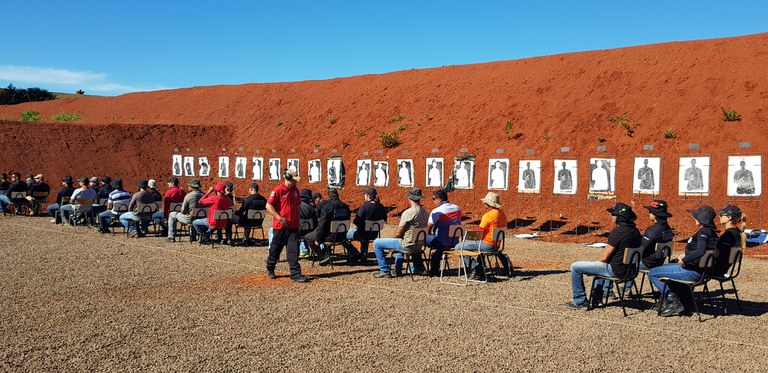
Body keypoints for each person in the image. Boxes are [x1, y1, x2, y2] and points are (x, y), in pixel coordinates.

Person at [565, 203, 642, 309]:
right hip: (631, 271)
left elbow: (603, 258)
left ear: (619, 217)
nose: (612, 216)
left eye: (613, 214)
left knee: (575, 267)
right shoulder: (635, 232)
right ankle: (596, 300)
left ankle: (580, 301)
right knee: (600, 267)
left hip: (615, 271)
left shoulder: (618, 232)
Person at [648, 206, 718, 317]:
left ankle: (672, 300)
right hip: (702, 272)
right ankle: (679, 300)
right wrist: (688, 255)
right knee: (669, 265)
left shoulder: (703, 233)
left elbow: (700, 250)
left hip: (692, 272)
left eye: (696, 217)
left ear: (701, 219)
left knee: (652, 273)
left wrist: (685, 260)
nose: (695, 218)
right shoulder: (712, 234)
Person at [372, 188, 429, 278]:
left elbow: (398, 233)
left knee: (377, 243)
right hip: (419, 245)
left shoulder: (409, 212)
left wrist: (390, 241)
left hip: (407, 245)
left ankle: (384, 270)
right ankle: (399, 269)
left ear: (409, 198)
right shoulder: (425, 211)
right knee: (400, 240)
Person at [265, 169, 308, 282]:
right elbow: (269, 206)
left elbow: (297, 207)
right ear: (288, 179)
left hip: (293, 226)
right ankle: (270, 268)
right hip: (280, 227)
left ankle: (295, 274)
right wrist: (279, 218)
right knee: (275, 250)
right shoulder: (278, 190)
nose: (296, 182)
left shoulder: (296, 191)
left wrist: (297, 220)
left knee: (293, 251)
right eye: (294, 180)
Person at [454, 192, 510, 278]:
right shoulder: (502, 215)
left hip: (487, 244)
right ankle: (479, 268)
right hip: (497, 245)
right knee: (469, 246)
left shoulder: (488, 216)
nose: (483, 203)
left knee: (458, 246)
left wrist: (467, 237)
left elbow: (478, 233)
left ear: (488, 203)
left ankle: (475, 267)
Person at [306, 188, 356, 264]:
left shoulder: (327, 207)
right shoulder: (345, 206)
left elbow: (321, 225)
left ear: (329, 196)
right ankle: (354, 252)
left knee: (308, 237)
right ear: (337, 195)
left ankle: (323, 255)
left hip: (330, 236)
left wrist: (318, 239)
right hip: (342, 236)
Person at [426, 189, 463, 275]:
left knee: (419, 239)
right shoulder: (457, 208)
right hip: (454, 241)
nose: (433, 201)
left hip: (441, 241)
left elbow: (428, 228)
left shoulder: (436, 211)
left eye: (433, 199)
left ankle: (419, 266)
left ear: (439, 199)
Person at [347, 188, 387, 260]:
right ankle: (363, 254)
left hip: (363, 234)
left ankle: (354, 254)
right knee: (365, 233)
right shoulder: (381, 206)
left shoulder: (365, 207)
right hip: (374, 234)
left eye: (365, 195)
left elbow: (355, 221)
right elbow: (385, 219)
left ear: (368, 196)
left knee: (345, 235)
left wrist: (360, 226)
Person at [638, 200, 676, 272]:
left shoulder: (653, 231)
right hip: (659, 262)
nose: (649, 213)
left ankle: (627, 283)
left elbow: (641, 248)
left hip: (648, 263)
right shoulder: (667, 228)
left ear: (654, 214)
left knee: (619, 264)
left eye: (650, 212)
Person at [713, 205, 745, 277]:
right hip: (723, 268)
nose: (719, 217)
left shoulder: (729, 235)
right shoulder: (737, 232)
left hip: (715, 270)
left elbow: (718, 254)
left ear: (729, 217)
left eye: (721, 215)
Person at [297, 188, 318, 258]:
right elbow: (316, 223)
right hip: (309, 232)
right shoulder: (311, 209)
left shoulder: (295, 206)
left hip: (297, 232)